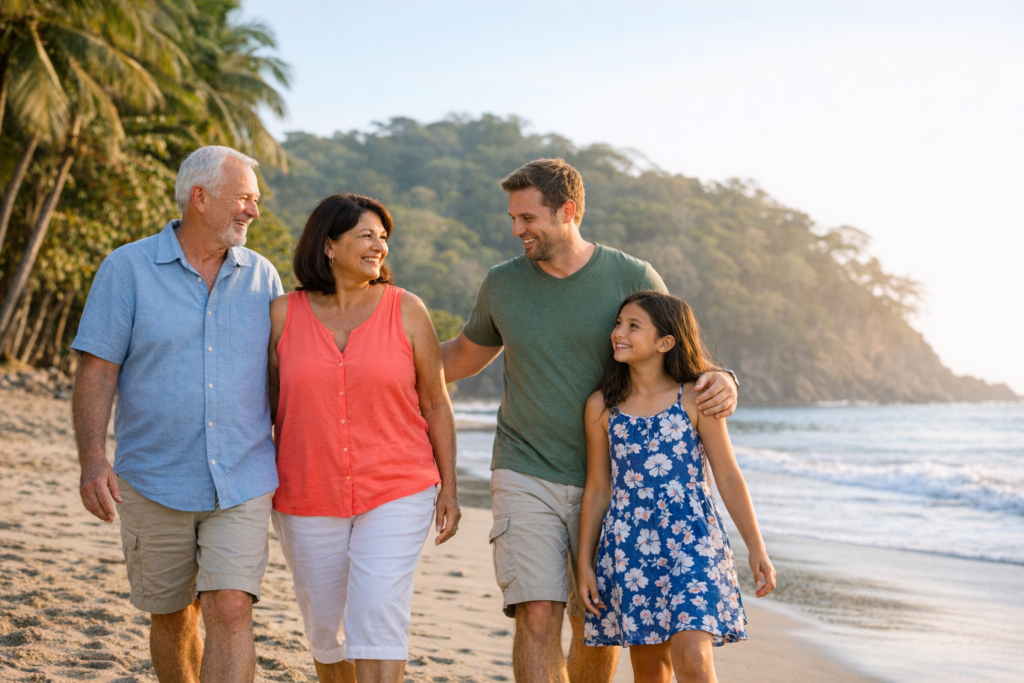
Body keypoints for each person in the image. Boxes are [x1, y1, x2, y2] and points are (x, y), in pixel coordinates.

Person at [440, 159, 740, 682]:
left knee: (595, 619)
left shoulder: (632, 275)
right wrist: (375, 356)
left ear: (568, 212)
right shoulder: (502, 284)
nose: (517, 230)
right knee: (536, 612)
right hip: (524, 470)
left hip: (616, 486)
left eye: (528, 218)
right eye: (513, 218)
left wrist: (725, 379)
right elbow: (460, 358)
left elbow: (678, 350)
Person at [72, 145, 283, 683]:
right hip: (153, 477)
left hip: (243, 476)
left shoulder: (264, 277)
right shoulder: (126, 269)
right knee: (172, 614)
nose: (252, 212)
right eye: (243, 199)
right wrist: (93, 459)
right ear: (199, 197)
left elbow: (285, 376)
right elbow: (97, 371)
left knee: (231, 606)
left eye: (253, 201)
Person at [268, 193, 461, 683]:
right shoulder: (282, 315)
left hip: (397, 486)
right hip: (305, 491)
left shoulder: (407, 309)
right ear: (329, 245)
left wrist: (450, 489)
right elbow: (266, 405)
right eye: (366, 235)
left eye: (384, 238)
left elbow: (436, 402)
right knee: (327, 629)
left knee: (377, 613)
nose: (380, 246)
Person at [577, 291, 775, 682]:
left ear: (665, 342)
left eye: (634, 326)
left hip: (692, 541)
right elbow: (598, 488)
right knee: (652, 674)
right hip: (630, 546)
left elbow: (729, 476)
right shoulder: (602, 406)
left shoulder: (695, 397)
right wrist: (585, 562)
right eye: (619, 323)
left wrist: (756, 547)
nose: (619, 332)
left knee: (694, 660)